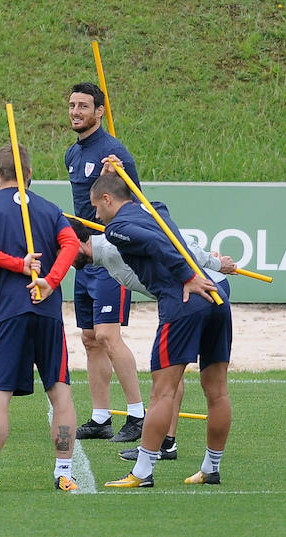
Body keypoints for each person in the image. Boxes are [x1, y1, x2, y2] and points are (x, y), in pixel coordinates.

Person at [89, 161, 232, 488]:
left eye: (97, 207)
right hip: (217, 290)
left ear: (108, 199)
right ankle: (211, 469)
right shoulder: (154, 208)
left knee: (162, 392)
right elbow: (139, 203)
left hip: (185, 297)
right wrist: (121, 172)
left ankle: (142, 473)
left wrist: (186, 276)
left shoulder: (115, 229)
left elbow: (156, 245)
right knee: (217, 390)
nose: (96, 217)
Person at [0, 143, 80, 493]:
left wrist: (18, 265)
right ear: (29, 174)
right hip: (48, 312)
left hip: (8, 312)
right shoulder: (50, 209)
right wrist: (49, 282)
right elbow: (71, 245)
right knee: (60, 393)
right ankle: (64, 472)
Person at [67, 217, 236, 461]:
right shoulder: (105, 256)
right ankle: (166, 444)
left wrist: (215, 263)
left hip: (202, 290)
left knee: (174, 374)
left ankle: (164, 447)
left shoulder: (114, 243)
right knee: (173, 373)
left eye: (61, 250)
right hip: (184, 296)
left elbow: (176, 241)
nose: (62, 261)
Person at [65, 82, 145, 442]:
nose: (76, 111)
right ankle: (100, 418)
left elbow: (137, 203)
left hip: (110, 255)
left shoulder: (114, 152)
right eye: (71, 105)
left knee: (109, 336)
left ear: (99, 111)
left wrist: (120, 172)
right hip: (84, 256)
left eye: (83, 106)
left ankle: (137, 415)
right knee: (89, 338)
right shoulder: (72, 154)